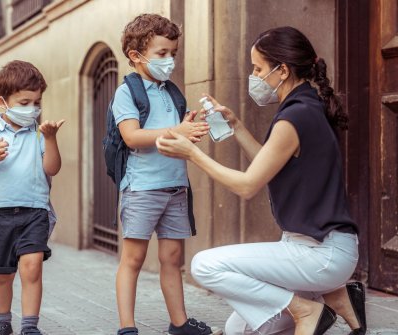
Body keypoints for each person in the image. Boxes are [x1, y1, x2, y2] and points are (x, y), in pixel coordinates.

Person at [156, 26, 367, 335]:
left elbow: (247, 185)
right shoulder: (307, 106)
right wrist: (237, 126)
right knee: (240, 330)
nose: (253, 76)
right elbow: (269, 166)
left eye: (257, 68)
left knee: (204, 265)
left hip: (319, 254)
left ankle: (307, 309)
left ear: (281, 70)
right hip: (318, 252)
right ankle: (338, 295)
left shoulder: (296, 116)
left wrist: (192, 154)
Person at [112, 14, 220, 335]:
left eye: (173, 53)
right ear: (136, 55)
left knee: (172, 258)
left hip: (175, 187)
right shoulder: (127, 93)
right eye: (161, 54)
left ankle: (179, 323)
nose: (169, 60)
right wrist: (178, 129)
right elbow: (132, 136)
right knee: (133, 258)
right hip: (143, 188)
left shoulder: (171, 91)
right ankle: (127, 327)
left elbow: (171, 134)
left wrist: (189, 126)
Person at [0, 60, 65, 335]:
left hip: (34, 211)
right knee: (3, 273)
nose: (31, 109)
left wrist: (52, 138)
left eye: (36, 102)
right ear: (2, 101)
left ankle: (30, 326)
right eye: (24, 102)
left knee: (32, 268)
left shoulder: (40, 132)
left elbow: (52, 168)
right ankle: (2, 322)